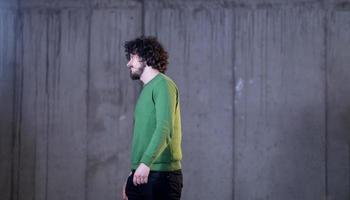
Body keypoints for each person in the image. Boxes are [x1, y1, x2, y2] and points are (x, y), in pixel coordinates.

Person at [122, 36, 183, 200]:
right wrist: (134, 170)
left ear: (146, 57)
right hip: (142, 172)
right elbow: (145, 135)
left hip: (161, 175)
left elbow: (164, 129)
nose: (129, 63)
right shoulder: (146, 91)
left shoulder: (163, 84)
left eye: (133, 57)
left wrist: (145, 163)